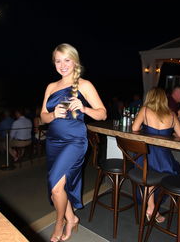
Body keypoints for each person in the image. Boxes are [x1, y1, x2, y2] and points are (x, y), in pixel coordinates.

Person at [40, 43, 107, 242]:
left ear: (75, 61)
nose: (62, 65)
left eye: (67, 60)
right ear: (54, 64)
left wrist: (85, 109)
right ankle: (72, 217)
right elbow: (42, 116)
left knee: (55, 188)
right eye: (58, 61)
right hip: (53, 141)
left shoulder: (85, 85)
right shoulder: (51, 87)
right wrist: (52, 114)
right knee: (57, 186)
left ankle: (59, 223)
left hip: (74, 142)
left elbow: (102, 114)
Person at [132, 87, 180, 222]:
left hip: (147, 155)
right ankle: (153, 207)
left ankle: (150, 207)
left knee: (148, 173)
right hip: (165, 159)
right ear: (164, 99)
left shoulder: (145, 110)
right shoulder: (172, 114)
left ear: (150, 97)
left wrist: (146, 127)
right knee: (165, 174)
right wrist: (168, 132)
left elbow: (134, 129)